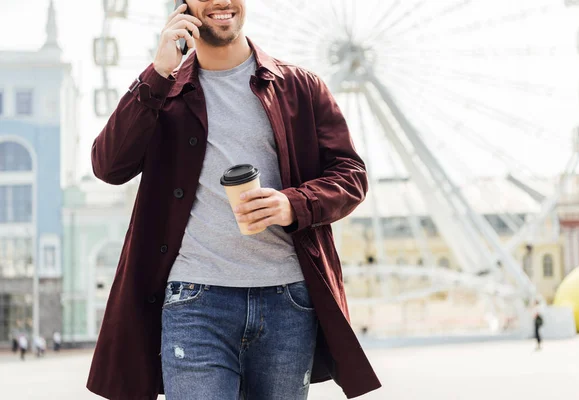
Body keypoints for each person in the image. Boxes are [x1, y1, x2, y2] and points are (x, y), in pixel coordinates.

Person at [86, 1, 381, 399]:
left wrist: (293, 204)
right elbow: (108, 166)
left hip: (288, 300)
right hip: (194, 301)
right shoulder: (162, 93)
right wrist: (157, 73)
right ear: (183, 6)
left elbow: (351, 175)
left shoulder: (300, 87)